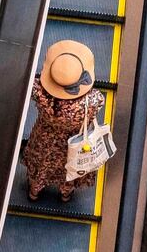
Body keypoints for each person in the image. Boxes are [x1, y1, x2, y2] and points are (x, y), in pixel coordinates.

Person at [23, 40, 105, 202]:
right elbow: (98, 103)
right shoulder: (94, 99)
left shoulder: (40, 94)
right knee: (70, 171)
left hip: (44, 141)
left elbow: (32, 83)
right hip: (74, 145)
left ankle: (34, 192)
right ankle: (65, 195)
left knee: (41, 165)